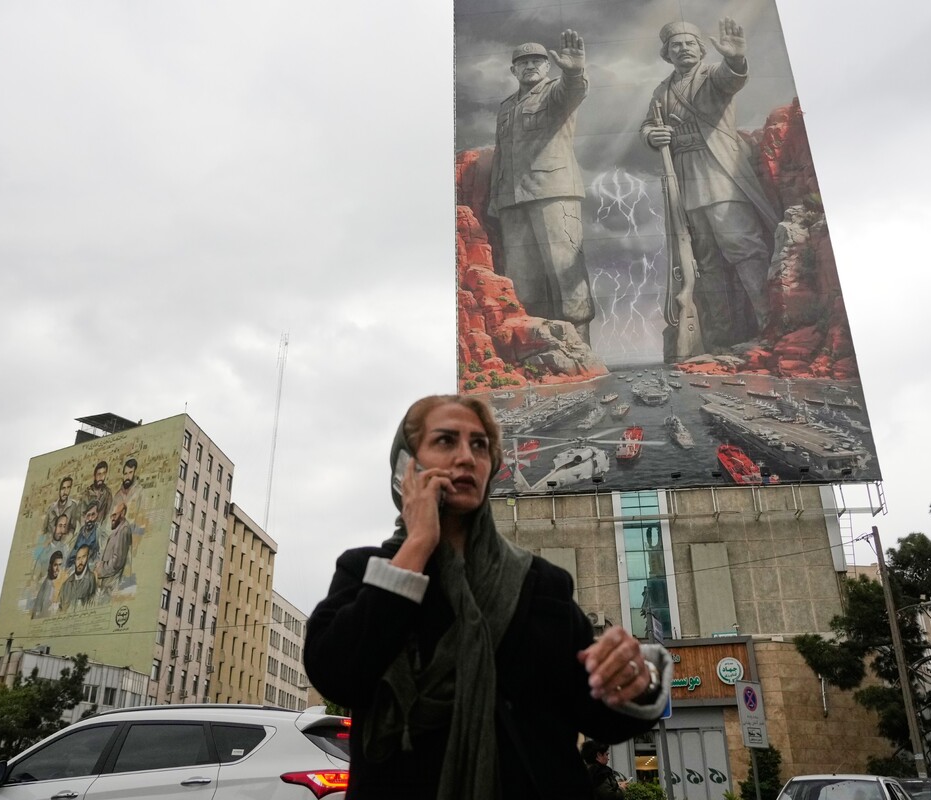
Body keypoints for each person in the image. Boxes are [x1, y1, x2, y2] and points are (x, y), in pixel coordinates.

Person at [304, 394, 671, 799]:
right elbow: (337, 674)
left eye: (479, 445)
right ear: (406, 465)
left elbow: (599, 717)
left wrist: (637, 678)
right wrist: (420, 542)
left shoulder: (539, 584)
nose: (466, 457)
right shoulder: (365, 571)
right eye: (446, 441)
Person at [640, 17, 782, 351]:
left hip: (719, 172)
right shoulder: (662, 90)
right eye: (676, 45)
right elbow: (648, 124)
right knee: (705, 263)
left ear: (701, 49)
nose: (683, 49)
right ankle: (721, 337)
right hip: (686, 180)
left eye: (690, 43)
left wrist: (734, 59)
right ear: (667, 53)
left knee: (744, 249)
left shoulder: (711, 75)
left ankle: (769, 326)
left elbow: (731, 79)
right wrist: (651, 135)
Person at [489, 31, 595, 343]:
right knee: (522, 280)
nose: (530, 66)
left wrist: (574, 71)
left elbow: (574, 91)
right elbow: (500, 154)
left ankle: (582, 346)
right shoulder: (506, 107)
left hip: (554, 192)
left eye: (537, 61)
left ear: (548, 67)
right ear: (513, 71)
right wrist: (496, 200)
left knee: (566, 271)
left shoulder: (555, 93)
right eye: (523, 62)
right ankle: (537, 347)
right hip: (513, 200)